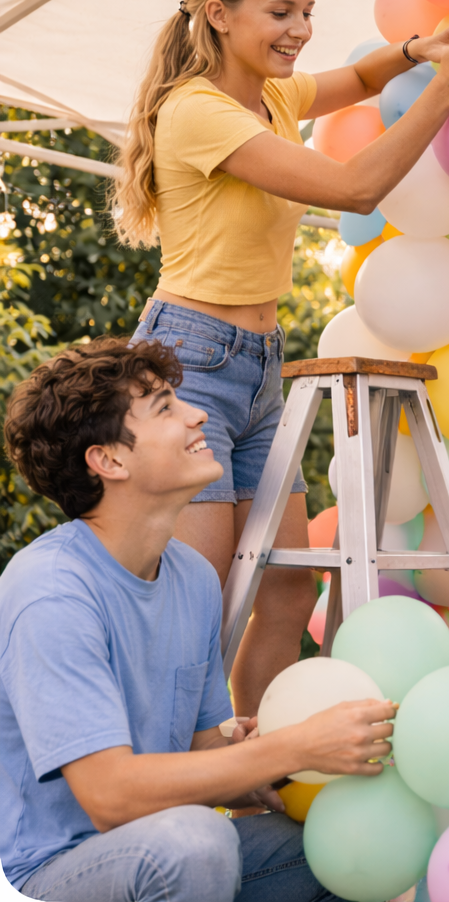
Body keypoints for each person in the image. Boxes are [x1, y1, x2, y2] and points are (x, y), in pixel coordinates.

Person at [112, 0, 449, 717]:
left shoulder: (273, 95)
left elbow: (360, 75)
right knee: (203, 598)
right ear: (218, 14)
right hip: (187, 366)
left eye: (307, 12)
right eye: (281, 11)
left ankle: (255, 769)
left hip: (259, 366)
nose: (299, 29)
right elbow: (356, 187)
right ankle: (179, 775)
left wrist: (414, 49)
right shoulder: (197, 113)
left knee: (290, 586)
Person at [0, 338, 394, 900]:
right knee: (197, 840)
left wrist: (262, 757)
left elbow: (204, 745)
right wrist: (296, 747)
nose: (199, 413)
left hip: (168, 845)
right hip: (57, 869)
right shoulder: (51, 591)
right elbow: (108, 796)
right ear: (108, 460)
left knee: (347, 841)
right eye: (164, 406)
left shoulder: (192, 577)